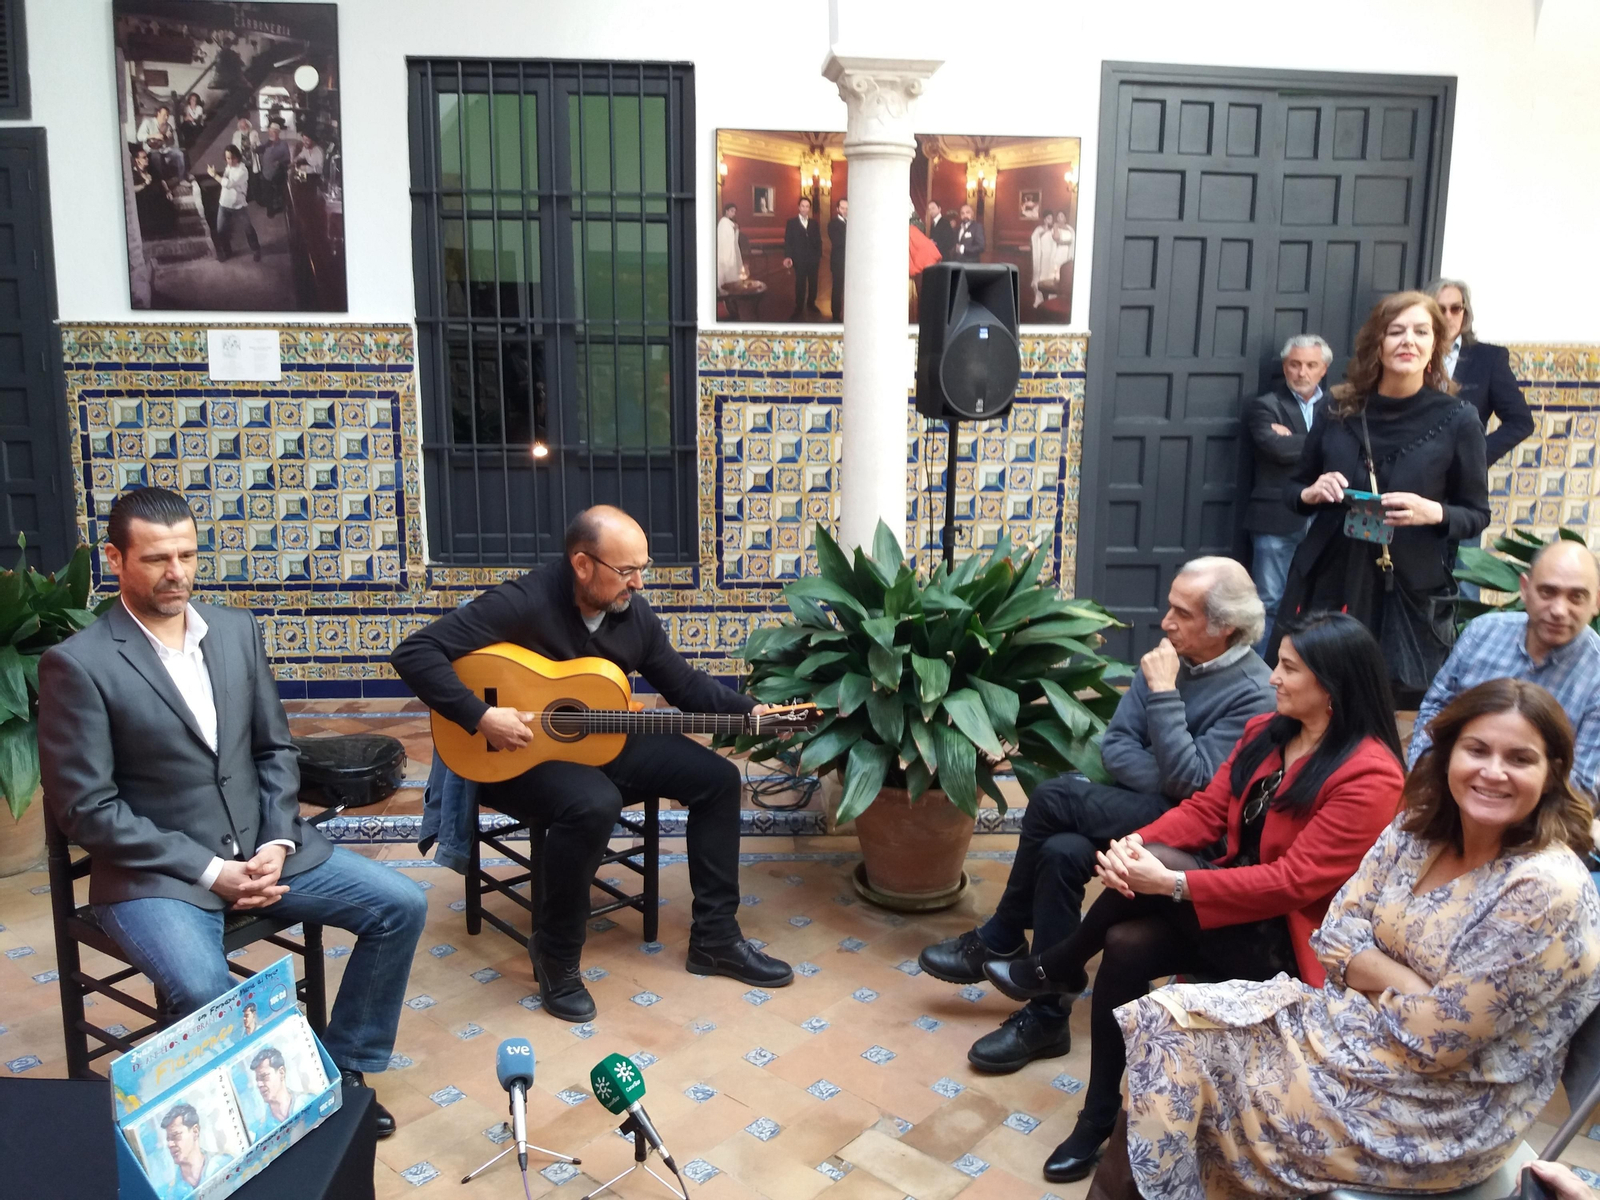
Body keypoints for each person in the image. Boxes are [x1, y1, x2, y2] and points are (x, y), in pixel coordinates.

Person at [1105, 678, 1600, 1199]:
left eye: (1519, 758)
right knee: (1165, 1025)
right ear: (1449, 754)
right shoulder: (1419, 828)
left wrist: (1368, 971)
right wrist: (1412, 983)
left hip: (1436, 1111)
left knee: (1177, 1059)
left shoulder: (1545, 890)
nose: (1493, 771)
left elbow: (1438, 1043)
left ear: (1551, 775)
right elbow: (1335, 934)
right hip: (1344, 1036)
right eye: (1476, 750)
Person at [39, 488, 425, 1139]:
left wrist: (276, 840)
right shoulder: (79, 665)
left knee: (401, 905)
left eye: (187, 555)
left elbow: (275, 749)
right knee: (203, 986)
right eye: (158, 558)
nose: (177, 573)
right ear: (115, 558)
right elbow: (85, 809)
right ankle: (259, 1118)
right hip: (158, 875)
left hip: (265, 848)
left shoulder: (236, 630)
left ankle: (342, 1068)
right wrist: (211, 869)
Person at [985, 612, 1404, 1184]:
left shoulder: (1370, 775)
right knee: (1125, 944)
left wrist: (1172, 882)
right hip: (1224, 913)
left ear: (1333, 687)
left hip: (1286, 941)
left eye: (1287, 668)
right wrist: (1135, 847)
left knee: (1162, 877)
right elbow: (1206, 810)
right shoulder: (1267, 732)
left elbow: (1293, 883)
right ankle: (1099, 1117)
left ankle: (1058, 965)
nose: (1273, 676)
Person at [392, 506, 794, 1023]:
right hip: (514, 756)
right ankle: (556, 955)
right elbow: (416, 652)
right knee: (592, 804)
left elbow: (685, 685)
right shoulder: (522, 602)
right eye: (627, 571)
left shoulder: (632, 615)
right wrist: (482, 715)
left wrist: (753, 713)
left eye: (642, 569)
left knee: (716, 779)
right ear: (583, 564)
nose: (638, 583)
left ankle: (715, 939)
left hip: (600, 739)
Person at [918, 557, 1275, 1074]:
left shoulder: (1253, 692)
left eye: (1182, 613)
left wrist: (1165, 696)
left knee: (1053, 798)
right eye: (1169, 606)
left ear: (1226, 628)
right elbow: (1118, 747)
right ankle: (1047, 1017)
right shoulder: (1166, 656)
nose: (1166, 622)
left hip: (1189, 844)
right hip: (1155, 808)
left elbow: (1198, 790)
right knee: (1062, 852)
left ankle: (1002, 933)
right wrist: (1170, 775)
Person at [1277, 290, 1489, 701]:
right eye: (1396, 331)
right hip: (1331, 580)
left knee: (1394, 706)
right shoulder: (1339, 408)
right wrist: (1311, 493)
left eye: (1420, 332)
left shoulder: (1458, 419)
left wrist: (1434, 512)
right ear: (1377, 343)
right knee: (1318, 695)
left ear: (1435, 347)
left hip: (1405, 586)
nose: (1408, 340)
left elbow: (1476, 514)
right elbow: (1292, 491)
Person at [1410, 540, 1600, 795]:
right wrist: (1426, 779)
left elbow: (1583, 784)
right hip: (1449, 794)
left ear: (1596, 601)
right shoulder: (1483, 633)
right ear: (1525, 589)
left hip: (1539, 821)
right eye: (1547, 592)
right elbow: (1435, 711)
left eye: (1576, 597)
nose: (1559, 610)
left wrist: (1497, 800)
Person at [1428, 276, 1534, 601]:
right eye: (1440, 309)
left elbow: (1520, 422)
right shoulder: (1411, 353)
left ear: (1465, 313)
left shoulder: (1488, 359)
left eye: (1455, 308)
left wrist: (1475, 459)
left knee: (1463, 584)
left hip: (1464, 490)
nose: (1448, 316)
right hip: (1414, 481)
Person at [1245, 335, 1332, 652]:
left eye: (1311, 365)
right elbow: (1275, 448)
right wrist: (1322, 443)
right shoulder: (1265, 405)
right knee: (1268, 600)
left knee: (1318, 603)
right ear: (1285, 367)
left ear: (1323, 370)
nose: (1302, 372)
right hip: (1276, 518)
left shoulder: (1339, 406)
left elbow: (1350, 452)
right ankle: (1257, 674)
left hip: (1327, 518)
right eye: (1295, 364)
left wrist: (1297, 439)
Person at [159, 1103, 232, 1197]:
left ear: (195, 1131)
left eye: (175, 1136)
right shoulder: (170, 1195)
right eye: (168, 1139)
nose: (170, 1144)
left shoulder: (225, 1165)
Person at [207, 145, 259, 263]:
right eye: (227, 158)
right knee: (221, 231)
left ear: (238, 157)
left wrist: (214, 175)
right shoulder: (229, 167)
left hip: (239, 206)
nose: (230, 161)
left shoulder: (243, 171)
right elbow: (225, 179)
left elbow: (229, 184)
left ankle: (256, 250)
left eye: (232, 158)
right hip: (224, 204)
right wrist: (218, 174)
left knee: (248, 229)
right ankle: (227, 252)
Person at [782, 197, 822, 318]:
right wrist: (788, 256)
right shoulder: (791, 223)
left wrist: (818, 255)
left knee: (813, 282)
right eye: (803, 206)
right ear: (799, 207)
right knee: (800, 282)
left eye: (807, 207)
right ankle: (799, 305)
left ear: (809, 208)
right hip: (799, 258)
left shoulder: (814, 223)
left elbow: (818, 241)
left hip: (813, 259)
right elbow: (788, 241)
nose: (805, 209)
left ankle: (811, 303)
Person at [250, 1046, 308, 1125]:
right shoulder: (262, 1131)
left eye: (264, 1077)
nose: (259, 1084)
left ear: (281, 1072)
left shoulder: (307, 1101)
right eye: (257, 1080)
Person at [131, 149, 176, 238]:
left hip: (158, 197)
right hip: (144, 201)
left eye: (146, 157)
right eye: (144, 158)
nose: (147, 159)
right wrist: (144, 184)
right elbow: (132, 189)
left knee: (167, 205)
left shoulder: (151, 169)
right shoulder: (133, 173)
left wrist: (168, 191)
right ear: (137, 160)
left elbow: (161, 180)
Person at [137, 106, 185, 181]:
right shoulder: (148, 122)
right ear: (158, 114)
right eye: (164, 115)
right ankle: (161, 182)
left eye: (167, 115)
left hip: (164, 150)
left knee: (179, 154)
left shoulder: (168, 126)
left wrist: (169, 138)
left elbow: (170, 143)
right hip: (150, 150)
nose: (166, 117)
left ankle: (181, 179)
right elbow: (139, 137)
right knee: (157, 156)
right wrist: (153, 135)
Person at [258, 121, 291, 217]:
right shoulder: (265, 143)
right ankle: (270, 210)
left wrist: (279, 163)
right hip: (266, 172)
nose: (272, 134)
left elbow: (287, 160)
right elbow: (257, 150)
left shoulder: (283, 144)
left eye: (274, 132)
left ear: (278, 133)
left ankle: (281, 207)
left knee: (278, 192)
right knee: (267, 193)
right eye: (271, 132)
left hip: (278, 173)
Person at [715, 201, 743, 292]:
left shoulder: (729, 222)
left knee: (731, 267)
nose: (733, 213)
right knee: (725, 267)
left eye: (734, 212)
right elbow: (723, 237)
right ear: (726, 211)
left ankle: (731, 287)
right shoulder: (723, 222)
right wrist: (734, 229)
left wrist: (735, 229)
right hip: (725, 250)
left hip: (730, 249)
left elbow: (733, 237)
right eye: (731, 211)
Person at [1029, 212, 1056, 307]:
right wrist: (1045, 230)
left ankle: (1051, 299)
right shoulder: (1039, 229)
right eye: (1049, 218)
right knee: (1040, 277)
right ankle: (1039, 299)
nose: (1051, 220)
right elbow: (1034, 238)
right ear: (1044, 219)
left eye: (1052, 218)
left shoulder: (1054, 230)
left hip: (1051, 257)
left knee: (1050, 277)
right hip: (1042, 256)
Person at [828, 198, 847, 321]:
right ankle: (835, 315)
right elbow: (837, 242)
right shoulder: (833, 224)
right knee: (837, 288)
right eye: (842, 208)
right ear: (837, 209)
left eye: (847, 208)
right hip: (839, 261)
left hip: (852, 263)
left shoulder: (853, 222)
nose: (845, 211)